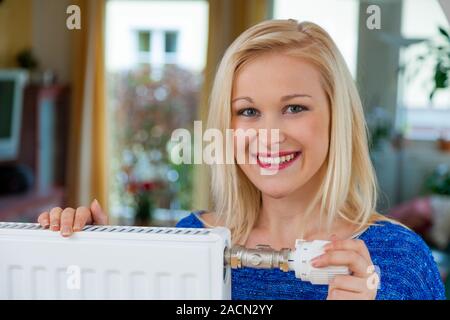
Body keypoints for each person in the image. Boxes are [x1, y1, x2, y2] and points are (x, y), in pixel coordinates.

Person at [37, 19, 446, 300]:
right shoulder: (191, 238)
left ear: (338, 119)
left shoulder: (398, 261)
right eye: (248, 112)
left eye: (294, 108)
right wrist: (97, 266)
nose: (269, 135)